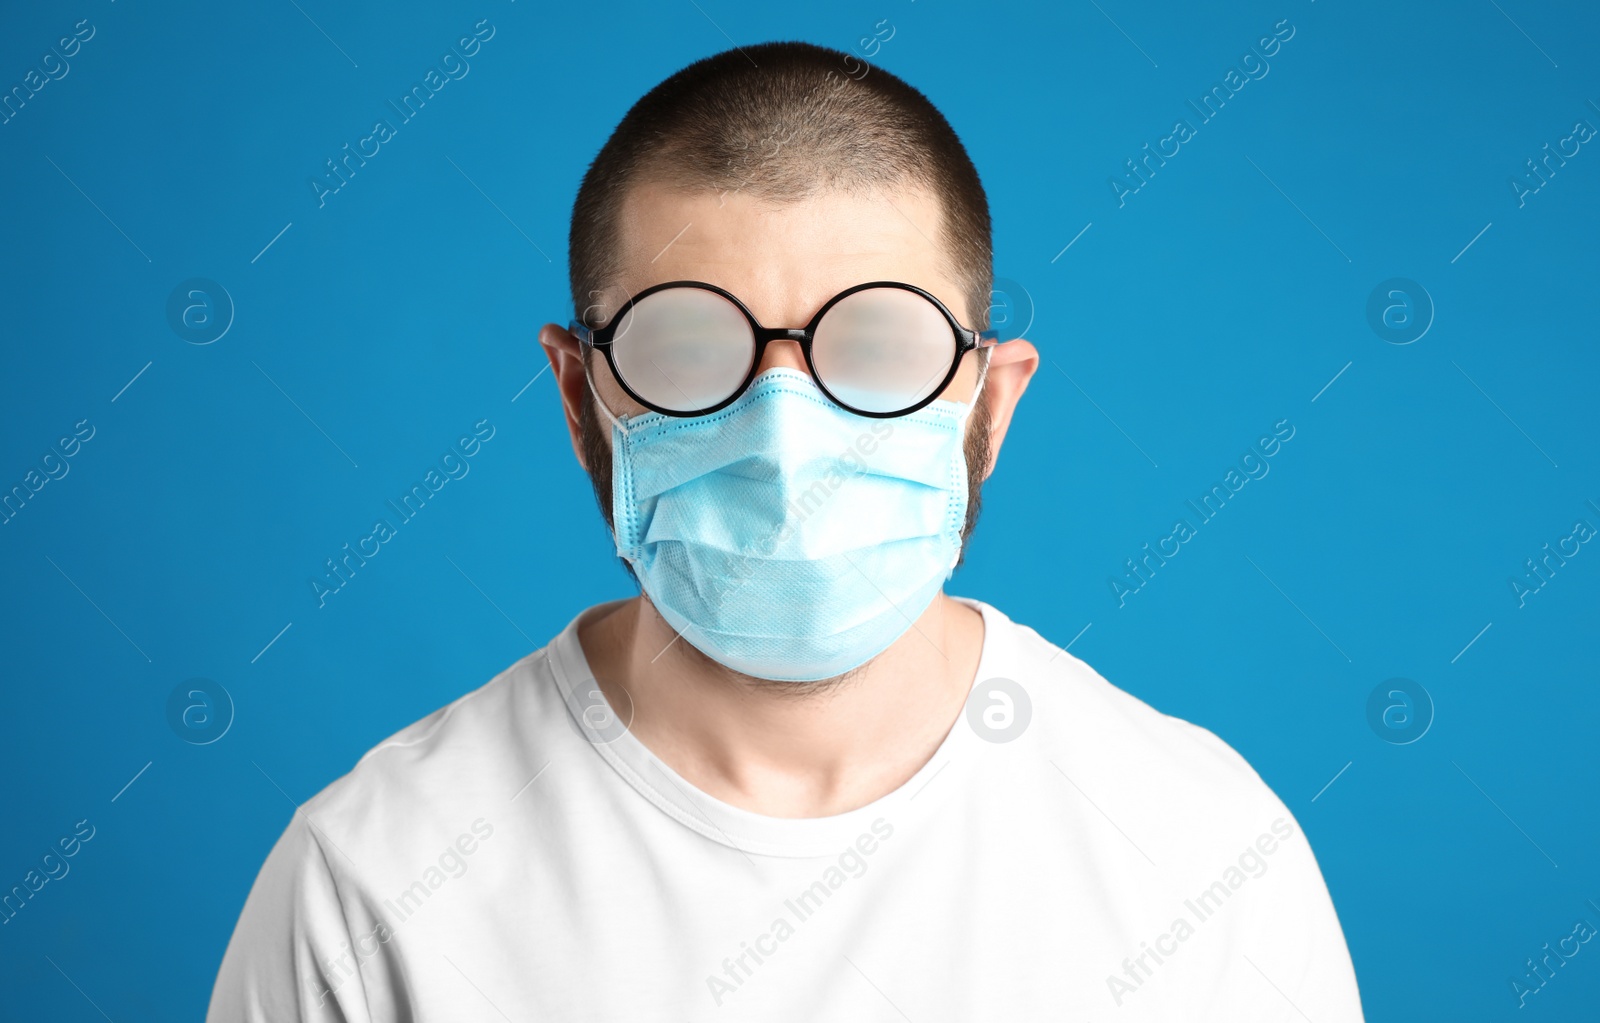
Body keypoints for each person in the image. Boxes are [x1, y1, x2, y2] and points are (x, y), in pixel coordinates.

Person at [208, 40, 1364, 1021]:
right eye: (685, 348)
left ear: (992, 404)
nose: (783, 434)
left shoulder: (1203, 859)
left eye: (876, 351)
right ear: (578, 399)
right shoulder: (369, 888)